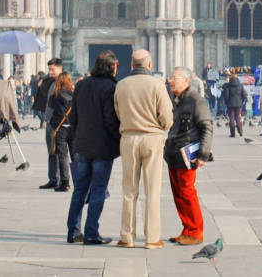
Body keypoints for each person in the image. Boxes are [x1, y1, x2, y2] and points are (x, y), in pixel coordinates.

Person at [113, 49, 173, 249]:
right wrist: (161, 127)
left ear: (131, 65)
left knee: (129, 190)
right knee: (152, 190)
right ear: (149, 65)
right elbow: (166, 116)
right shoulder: (157, 85)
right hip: (152, 139)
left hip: (129, 138)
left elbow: (118, 112)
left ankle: (126, 237)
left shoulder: (121, 85)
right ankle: (152, 238)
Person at [66, 50, 120, 245]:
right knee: (97, 189)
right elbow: (110, 120)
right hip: (102, 147)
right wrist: (118, 140)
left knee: (80, 189)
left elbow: (73, 117)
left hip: (83, 145)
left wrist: (79, 135)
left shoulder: (81, 85)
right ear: (114, 67)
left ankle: (73, 231)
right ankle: (91, 232)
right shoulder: (110, 88)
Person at [164, 67, 212, 246]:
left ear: (186, 80)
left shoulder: (195, 100)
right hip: (174, 153)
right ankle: (186, 229)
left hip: (187, 155)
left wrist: (203, 155)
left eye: (174, 78)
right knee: (178, 194)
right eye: (170, 77)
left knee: (187, 192)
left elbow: (207, 126)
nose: (170, 81)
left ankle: (195, 232)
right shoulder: (177, 99)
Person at [36, 58, 62, 189]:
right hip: (50, 121)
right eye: (49, 69)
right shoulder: (50, 82)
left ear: (60, 68)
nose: (50, 72)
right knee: (52, 151)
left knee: (60, 152)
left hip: (58, 122)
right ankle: (53, 178)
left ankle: (62, 179)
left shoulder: (63, 82)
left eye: (53, 69)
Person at [49, 71, 76, 193]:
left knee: (62, 156)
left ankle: (65, 183)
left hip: (61, 128)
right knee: (75, 156)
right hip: (73, 129)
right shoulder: (75, 94)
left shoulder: (56, 95)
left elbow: (51, 108)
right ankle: (79, 181)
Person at [221, 72, 246, 138]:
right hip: (239, 104)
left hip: (230, 104)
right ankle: (240, 130)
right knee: (238, 117)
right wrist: (241, 101)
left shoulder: (228, 85)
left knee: (231, 118)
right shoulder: (240, 85)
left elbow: (226, 96)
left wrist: (226, 102)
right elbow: (244, 94)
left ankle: (233, 133)